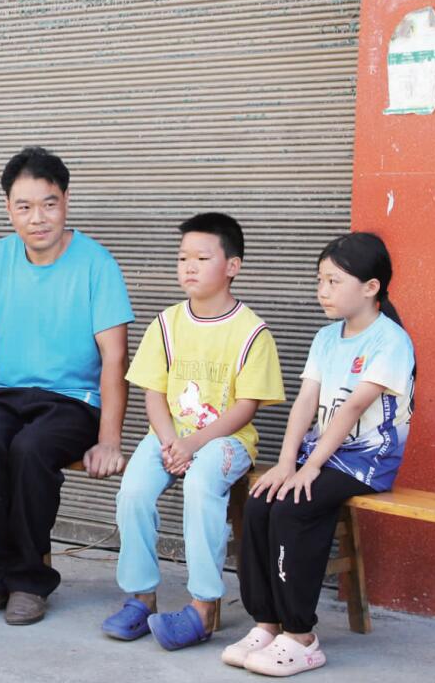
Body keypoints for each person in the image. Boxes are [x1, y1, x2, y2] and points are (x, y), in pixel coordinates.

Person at [0, 146, 134, 626]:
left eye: (48, 204)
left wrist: (109, 440)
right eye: (24, 206)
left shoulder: (97, 263)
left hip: (73, 401)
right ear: (8, 208)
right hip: (7, 393)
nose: (37, 218)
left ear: (65, 200)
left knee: (30, 451)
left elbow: (115, 356)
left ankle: (29, 581)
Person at [224, 232, 415, 677]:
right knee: (260, 500)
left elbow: (352, 409)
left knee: (294, 505)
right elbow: (306, 402)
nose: (322, 291)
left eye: (334, 281)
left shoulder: (391, 341)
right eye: (320, 280)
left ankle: (301, 637)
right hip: (322, 452)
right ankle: (266, 624)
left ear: (370, 287)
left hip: (367, 460)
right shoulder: (326, 337)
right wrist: (285, 463)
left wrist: (308, 468)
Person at [101, 212, 285, 650]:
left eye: (202, 258)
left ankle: (202, 608)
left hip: (225, 440)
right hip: (169, 435)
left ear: (232, 266)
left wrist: (193, 444)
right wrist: (171, 442)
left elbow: (246, 406)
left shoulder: (252, 331)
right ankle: (140, 598)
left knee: (201, 486)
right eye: (183, 258)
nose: (189, 267)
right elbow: (153, 393)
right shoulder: (166, 324)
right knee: (133, 490)